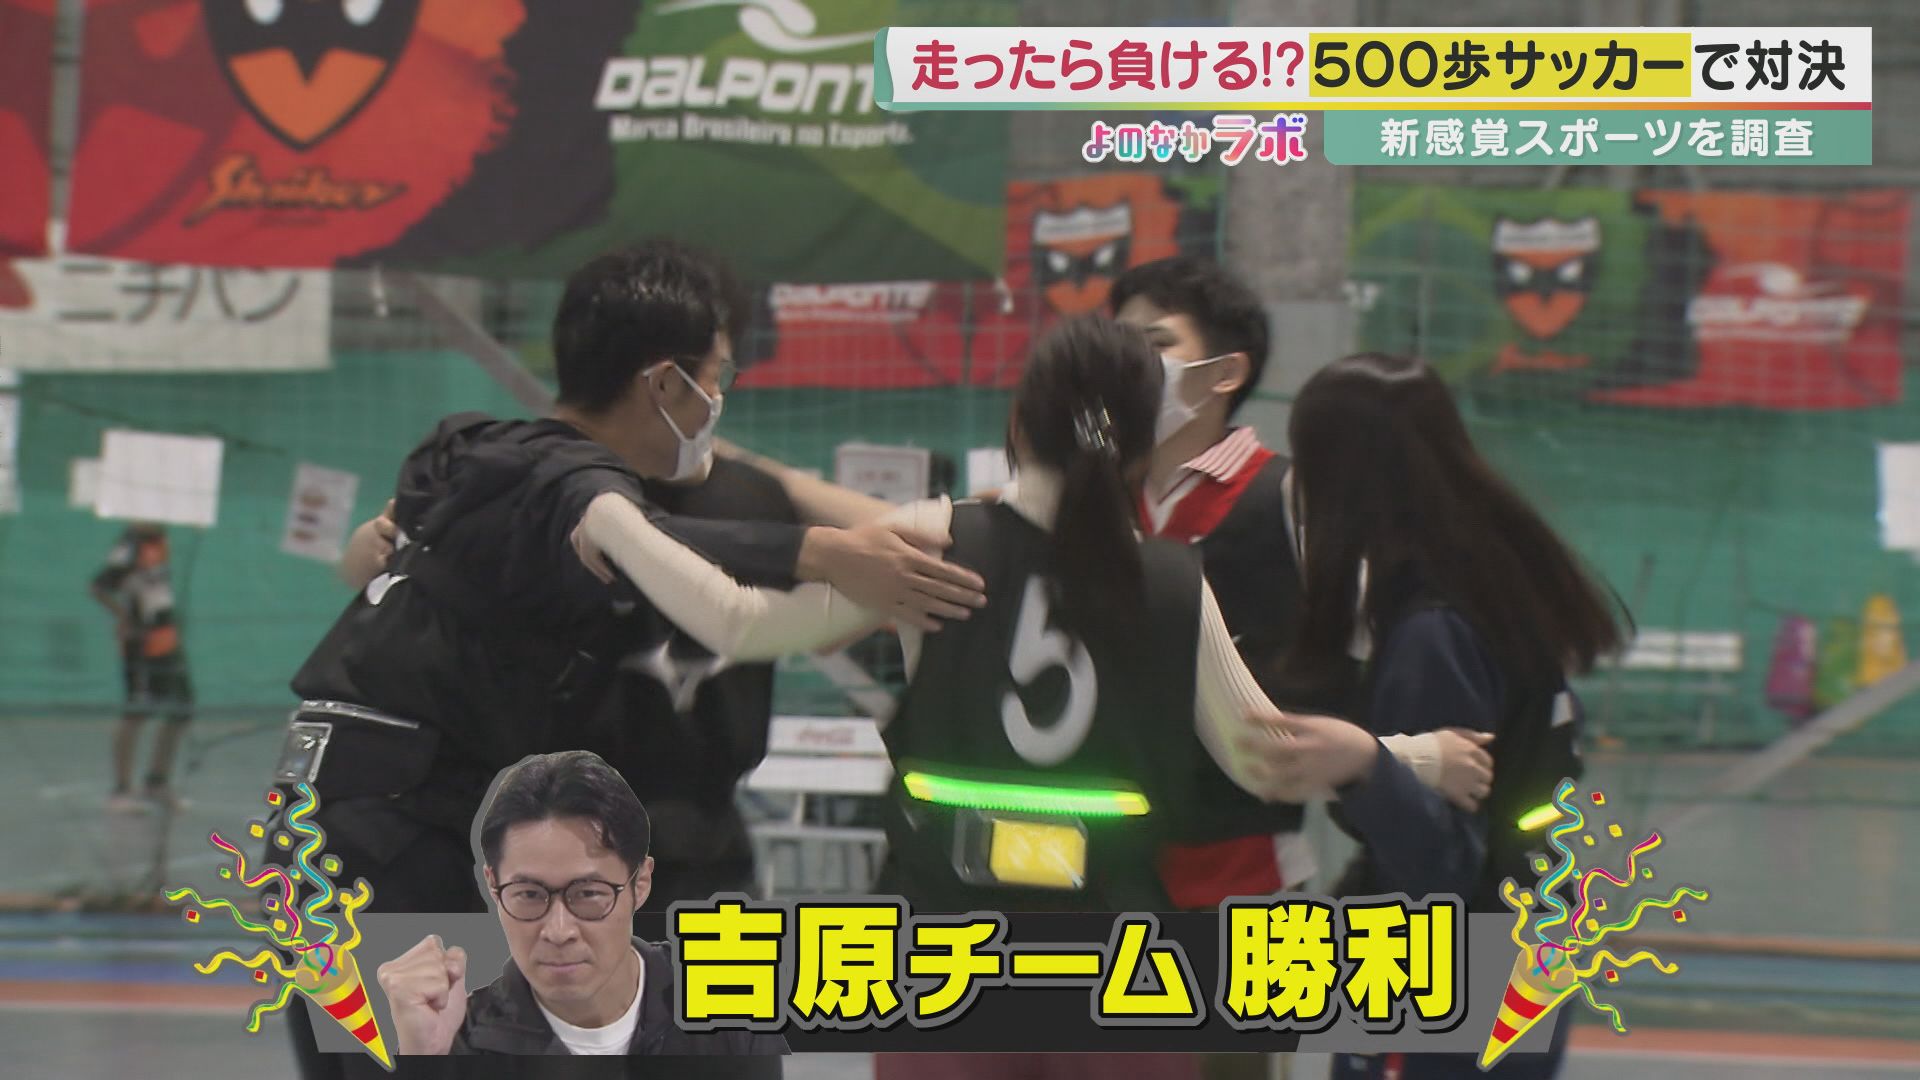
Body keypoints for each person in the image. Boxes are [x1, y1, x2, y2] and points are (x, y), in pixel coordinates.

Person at [276, 239, 985, 1080]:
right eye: (718, 374)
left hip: (341, 827)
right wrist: (830, 554)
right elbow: (680, 568)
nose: (721, 396)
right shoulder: (575, 488)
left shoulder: (474, 456)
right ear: (667, 382)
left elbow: (366, 555)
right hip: (412, 842)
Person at [570, 316, 1495, 910]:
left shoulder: (937, 538)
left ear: (1018, 425)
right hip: (1116, 954)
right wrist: (1412, 757)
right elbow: (1264, 755)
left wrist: (612, 514)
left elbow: (738, 622)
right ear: (1142, 451)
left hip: (947, 945)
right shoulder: (1174, 581)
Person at [1285, 354, 1627, 1080]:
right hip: (1531, 928)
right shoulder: (1497, 586)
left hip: (1459, 956)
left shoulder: (1433, 633)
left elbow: (1437, 858)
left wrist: (1366, 765)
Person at [376, 749, 787, 1068]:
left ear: (640, 883)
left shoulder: (725, 1012)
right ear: (493, 886)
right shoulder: (459, 1037)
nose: (558, 930)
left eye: (588, 894)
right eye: (529, 895)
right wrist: (425, 1059)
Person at [91, 522, 193, 812]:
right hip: (141, 645)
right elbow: (98, 587)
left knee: (182, 708)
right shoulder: (129, 547)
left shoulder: (161, 541)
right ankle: (121, 790)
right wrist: (124, 616)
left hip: (167, 640)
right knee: (136, 712)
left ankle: (156, 782)